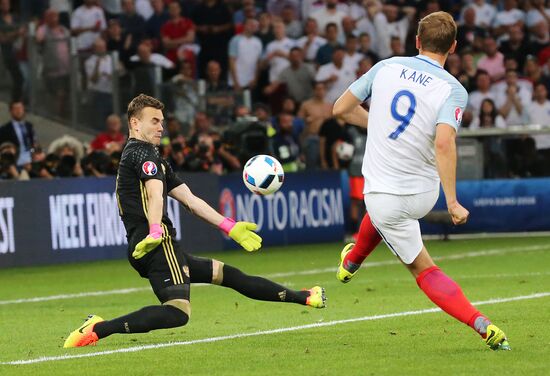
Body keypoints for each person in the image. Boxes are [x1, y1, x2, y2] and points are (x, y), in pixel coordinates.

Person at [63, 94, 325, 348]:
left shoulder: (150, 157)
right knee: (178, 312)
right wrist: (155, 229)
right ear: (134, 123)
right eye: (154, 121)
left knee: (229, 275)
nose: (160, 126)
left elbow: (189, 199)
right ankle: (98, 329)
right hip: (156, 245)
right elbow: (155, 194)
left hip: (152, 245)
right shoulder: (141, 153)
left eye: (162, 121)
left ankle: (304, 297)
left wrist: (229, 226)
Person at [332, 11, 510, 351]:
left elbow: (340, 109)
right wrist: (452, 201)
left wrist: (376, 123)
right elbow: (444, 142)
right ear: (453, 47)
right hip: (423, 193)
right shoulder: (454, 89)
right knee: (388, 213)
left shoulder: (385, 67)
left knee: (421, 267)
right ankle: (351, 261)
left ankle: (480, 323)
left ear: (416, 41)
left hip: (383, 196)